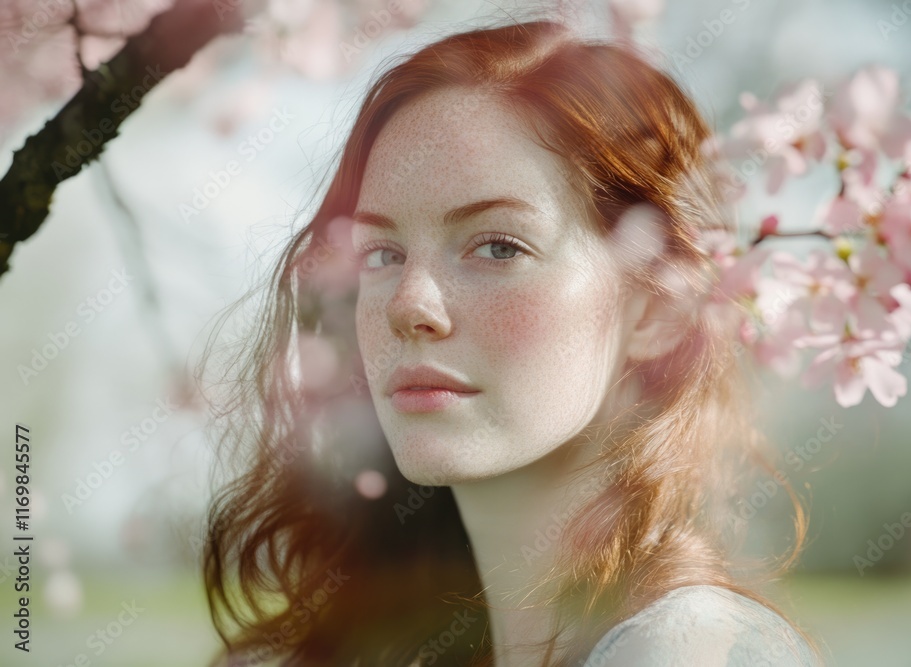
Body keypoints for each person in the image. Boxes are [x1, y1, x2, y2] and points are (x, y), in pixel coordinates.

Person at [197, 16, 824, 667]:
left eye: (498, 246)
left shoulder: (683, 652)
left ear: (656, 311)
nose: (411, 304)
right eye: (381, 253)